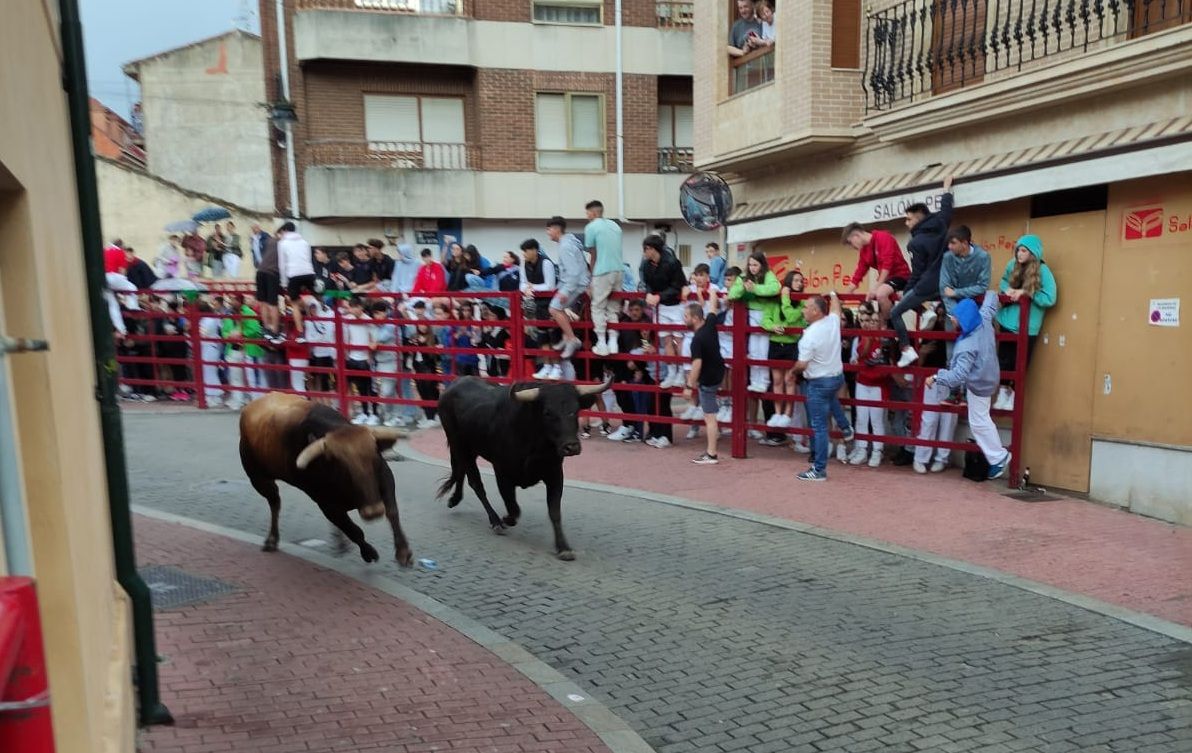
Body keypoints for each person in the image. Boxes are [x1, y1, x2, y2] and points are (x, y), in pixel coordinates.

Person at [926, 291, 1011, 479]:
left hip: (979, 384)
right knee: (980, 420)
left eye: (955, 317)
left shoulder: (967, 345)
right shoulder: (983, 321)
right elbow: (990, 302)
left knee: (979, 421)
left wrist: (937, 377)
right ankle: (997, 457)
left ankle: (999, 457)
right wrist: (995, 293)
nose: (952, 319)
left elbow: (957, 376)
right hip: (989, 378)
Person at [891, 176, 953, 367]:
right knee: (950, 329)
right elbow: (946, 209)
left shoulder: (915, 243)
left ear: (918, 219)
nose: (906, 223)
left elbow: (917, 273)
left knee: (895, 312)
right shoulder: (941, 224)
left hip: (927, 286)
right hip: (946, 285)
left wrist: (905, 292)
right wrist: (946, 189)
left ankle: (906, 349)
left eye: (908, 219)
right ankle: (951, 365)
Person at [792, 291, 855, 481]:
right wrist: (833, 295)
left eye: (806, 307)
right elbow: (836, 308)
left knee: (819, 427)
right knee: (830, 397)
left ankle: (819, 469)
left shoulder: (809, 336)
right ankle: (845, 427)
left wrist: (792, 372)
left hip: (819, 381)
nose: (803, 310)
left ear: (815, 311)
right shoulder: (832, 322)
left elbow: (802, 364)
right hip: (836, 377)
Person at [995, 234, 1056, 410]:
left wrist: (1028, 293)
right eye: (1018, 250)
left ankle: (1013, 396)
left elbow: (1050, 297)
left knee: (1021, 363)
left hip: (1028, 326)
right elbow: (1003, 281)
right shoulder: (1012, 265)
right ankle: (1002, 393)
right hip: (1007, 321)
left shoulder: (1043, 271)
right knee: (1004, 360)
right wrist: (1007, 290)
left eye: (1023, 251)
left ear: (1033, 253)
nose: (1019, 254)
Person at [912, 303, 958, 474]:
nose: (941, 318)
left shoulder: (958, 329)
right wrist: (923, 352)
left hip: (952, 377)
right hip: (932, 378)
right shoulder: (930, 328)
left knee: (948, 420)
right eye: (939, 315)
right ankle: (921, 458)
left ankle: (941, 459)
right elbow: (918, 361)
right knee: (929, 419)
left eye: (944, 315)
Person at [761, 270, 806, 438]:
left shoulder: (801, 302)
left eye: (801, 281)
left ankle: (787, 414)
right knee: (777, 381)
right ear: (788, 282)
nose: (799, 283)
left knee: (790, 380)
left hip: (791, 345)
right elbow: (765, 320)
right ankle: (778, 413)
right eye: (796, 280)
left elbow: (791, 316)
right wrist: (773, 327)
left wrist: (786, 298)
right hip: (775, 344)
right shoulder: (774, 301)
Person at [727, 250, 780, 394]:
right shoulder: (744, 276)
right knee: (753, 350)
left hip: (765, 314)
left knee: (763, 350)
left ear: (762, 265)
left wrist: (755, 288)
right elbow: (732, 293)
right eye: (750, 265)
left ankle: (763, 382)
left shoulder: (768, 275)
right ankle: (754, 381)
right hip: (750, 315)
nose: (752, 268)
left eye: (755, 265)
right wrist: (743, 288)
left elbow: (774, 288)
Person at [847, 302, 892, 467]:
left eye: (874, 321)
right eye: (868, 321)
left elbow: (887, 362)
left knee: (877, 420)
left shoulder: (886, 340)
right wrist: (868, 337)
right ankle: (862, 449)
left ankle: (877, 451)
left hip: (878, 385)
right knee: (861, 419)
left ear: (881, 323)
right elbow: (861, 354)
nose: (871, 324)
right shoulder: (862, 337)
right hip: (862, 383)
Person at [640, 234, 687, 389]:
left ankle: (682, 372)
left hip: (675, 306)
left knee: (678, 340)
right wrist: (648, 293)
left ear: (653, 249)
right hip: (659, 307)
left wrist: (658, 296)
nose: (644, 252)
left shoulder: (672, 262)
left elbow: (678, 286)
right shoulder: (646, 265)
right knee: (666, 340)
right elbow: (646, 283)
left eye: (646, 249)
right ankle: (672, 372)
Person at [841, 223, 911, 323]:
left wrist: (876, 287)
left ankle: (890, 324)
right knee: (880, 305)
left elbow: (887, 264)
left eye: (851, 243)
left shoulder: (883, 237)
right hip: (887, 281)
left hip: (901, 276)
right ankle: (890, 325)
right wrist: (843, 298)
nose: (852, 247)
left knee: (880, 294)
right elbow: (858, 274)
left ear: (856, 235)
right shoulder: (864, 252)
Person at [684, 298, 725, 465]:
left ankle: (712, 453)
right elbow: (713, 308)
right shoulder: (710, 324)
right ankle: (712, 448)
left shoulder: (696, 340)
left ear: (695, 318)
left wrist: (689, 386)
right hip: (718, 374)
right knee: (711, 414)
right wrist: (712, 293)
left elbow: (697, 364)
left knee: (709, 417)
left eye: (686, 316)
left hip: (707, 380)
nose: (684, 319)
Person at [545, 216, 590, 360]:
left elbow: (573, 272)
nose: (547, 232)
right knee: (559, 309)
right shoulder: (568, 243)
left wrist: (565, 291)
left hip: (575, 284)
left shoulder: (565, 246)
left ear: (557, 229)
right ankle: (567, 337)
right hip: (575, 283)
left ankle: (572, 339)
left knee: (554, 308)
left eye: (549, 229)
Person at [584, 200, 624, 357]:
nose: (587, 217)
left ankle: (601, 342)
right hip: (619, 270)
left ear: (594, 213)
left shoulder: (591, 227)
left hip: (602, 270)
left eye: (588, 213)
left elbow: (593, 254)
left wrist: (591, 278)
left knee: (597, 306)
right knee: (613, 307)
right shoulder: (615, 226)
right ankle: (613, 342)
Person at [343, 297, 378, 425]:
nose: (352, 310)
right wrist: (347, 354)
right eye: (351, 307)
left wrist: (370, 355)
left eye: (354, 307)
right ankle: (365, 412)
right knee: (360, 387)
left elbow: (373, 338)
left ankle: (374, 413)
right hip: (353, 357)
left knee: (371, 388)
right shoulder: (348, 319)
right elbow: (346, 336)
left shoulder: (368, 321)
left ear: (360, 307)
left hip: (365, 358)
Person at [277, 221, 316, 335]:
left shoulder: (282, 243)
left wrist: (284, 283)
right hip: (309, 272)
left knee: (294, 304)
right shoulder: (304, 242)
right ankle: (313, 309)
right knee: (314, 297)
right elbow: (308, 259)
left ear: (285, 231)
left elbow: (282, 265)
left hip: (294, 274)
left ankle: (301, 332)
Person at [371, 300, 402, 426]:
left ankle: (393, 416)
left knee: (387, 390)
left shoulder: (390, 325)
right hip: (381, 361)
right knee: (387, 390)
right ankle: (391, 416)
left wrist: (374, 343)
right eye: (375, 313)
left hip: (392, 361)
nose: (377, 316)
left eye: (379, 313)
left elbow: (379, 339)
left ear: (386, 312)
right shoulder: (376, 326)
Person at [255, 230, 282, 339]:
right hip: (272, 273)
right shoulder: (283, 243)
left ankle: (266, 328)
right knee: (273, 304)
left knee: (263, 303)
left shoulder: (269, 241)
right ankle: (274, 331)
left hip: (260, 271)